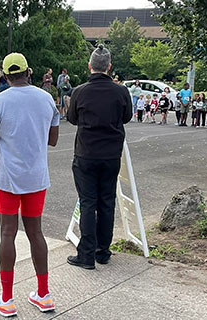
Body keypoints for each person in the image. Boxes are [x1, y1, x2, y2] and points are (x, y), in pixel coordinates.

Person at [0, 52, 59, 317]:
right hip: (37, 178)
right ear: (29, 72)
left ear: (4, 75)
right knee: (36, 233)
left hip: (8, 179)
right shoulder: (46, 98)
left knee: (7, 233)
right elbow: (53, 139)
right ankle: (44, 293)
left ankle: (6, 298)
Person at [66, 45, 132, 269]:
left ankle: (85, 254)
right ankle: (102, 250)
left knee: (88, 203)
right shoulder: (121, 92)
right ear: (109, 67)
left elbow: (72, 118)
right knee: (107, 202)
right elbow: (127, 117)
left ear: (90, 66)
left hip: (86, 153)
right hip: (111, 154)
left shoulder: (79, 91)